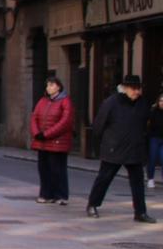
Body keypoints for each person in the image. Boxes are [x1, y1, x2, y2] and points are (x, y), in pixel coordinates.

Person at [86, 75, 155, 223]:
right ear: (125, 88)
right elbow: (98, 125)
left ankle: (140, 212)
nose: (137, 92)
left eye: (139, 89)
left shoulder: (142, 103)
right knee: (104, 178)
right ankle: (92, 204)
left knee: (137, 182)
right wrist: (98, 147)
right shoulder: (111, 102)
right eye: (134, 88)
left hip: (135, 149)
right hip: (114, 148)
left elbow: (147, 124)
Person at [30, 76, 74, 205]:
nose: (48, 88)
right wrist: (37, 133)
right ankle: (46, 194)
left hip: (57, 142)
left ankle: (61, 195)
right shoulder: (42, 101)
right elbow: (34, 117)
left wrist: (47, 134)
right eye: (47, 85)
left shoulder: (65, 101)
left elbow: (65, 122)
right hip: (42, 142)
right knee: (43, 169)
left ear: (58, 87)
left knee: (58, 169)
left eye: (51, 85)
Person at [147, 94, 163, 190]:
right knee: (152, 159)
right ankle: (150, 179)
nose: (162, 103)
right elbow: (148, 124)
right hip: (154, 138)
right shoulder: (153, 112)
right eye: (161, 101)